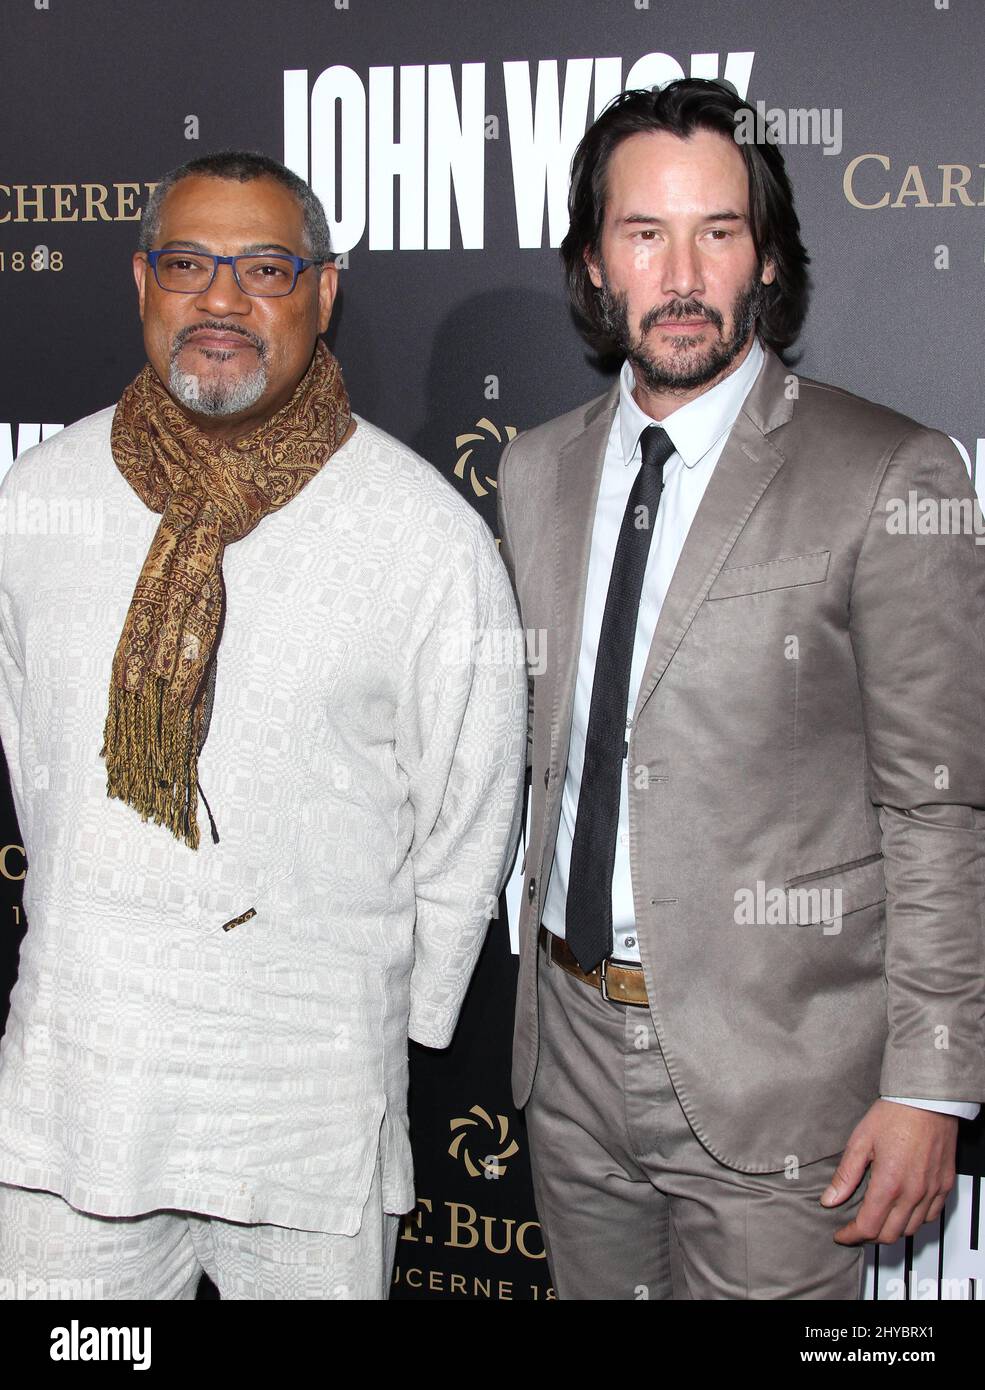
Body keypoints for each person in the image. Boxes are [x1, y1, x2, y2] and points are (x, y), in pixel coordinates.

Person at [0, 150, 526, 1300]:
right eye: (189, 264)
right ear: (143, 281)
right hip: (78, 1095)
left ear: (324, 293)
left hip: (310, 1103)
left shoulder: (421, 532)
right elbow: (26, 748)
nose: (222, 299)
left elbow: (474, 798)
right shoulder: (34, 499)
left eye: (265, 268)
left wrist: (402, 1008)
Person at [495, 79, 985, 1300]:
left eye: (717, 231)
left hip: (779, 1068)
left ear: (763, 259)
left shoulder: (887, 472)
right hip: (565, 1055)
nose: (681, 272)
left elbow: (936, 806)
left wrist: (928, 1080)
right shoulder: (534, 470)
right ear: (594, 265)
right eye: (642, 232)